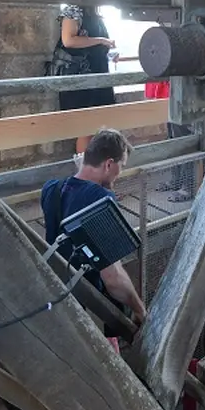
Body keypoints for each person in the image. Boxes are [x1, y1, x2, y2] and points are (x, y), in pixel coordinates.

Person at [39, 129, 146, 325]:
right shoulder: (101, 200)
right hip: (82, 295)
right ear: (108, 164)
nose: (120, 173)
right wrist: (139, 309)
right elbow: (112, 278)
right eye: (121, 166)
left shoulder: (51, 189)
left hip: (51, 287)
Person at [54, 5, 116, 154]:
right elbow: (68, 40)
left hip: (97, 76)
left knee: (100, 126)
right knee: (85, 129)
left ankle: (97, 171)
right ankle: (85, 171)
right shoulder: (73, 11)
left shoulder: (94, 14)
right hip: (80, 78)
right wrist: (101, 40)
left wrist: (108, 52)